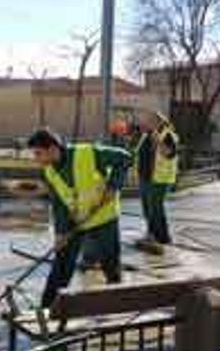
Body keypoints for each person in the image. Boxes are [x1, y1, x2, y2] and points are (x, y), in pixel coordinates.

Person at [28, 128, 132, 308]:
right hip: (76, 222)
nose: (36, 159)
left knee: (111, 265)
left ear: (53, 149)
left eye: (38, 153)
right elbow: (59, 204)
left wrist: (113, 186)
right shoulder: (49, 172)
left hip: (103, 217)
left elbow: (125, 158)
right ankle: (49, 307)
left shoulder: (88, 153)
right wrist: (60, 233)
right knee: (61, 265)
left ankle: (117, 305)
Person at [135, 111, 179, 245]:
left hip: (159, 178)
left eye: (150, 120)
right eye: (147, 120)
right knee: (148, 209)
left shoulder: (168, 135)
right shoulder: (145, 136)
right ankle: (155, 235)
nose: (147, 123)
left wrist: (158, 140)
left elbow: (169, 153)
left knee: (155, 209)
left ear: (159, 121)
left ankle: (161, 237)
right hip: (145, 177)